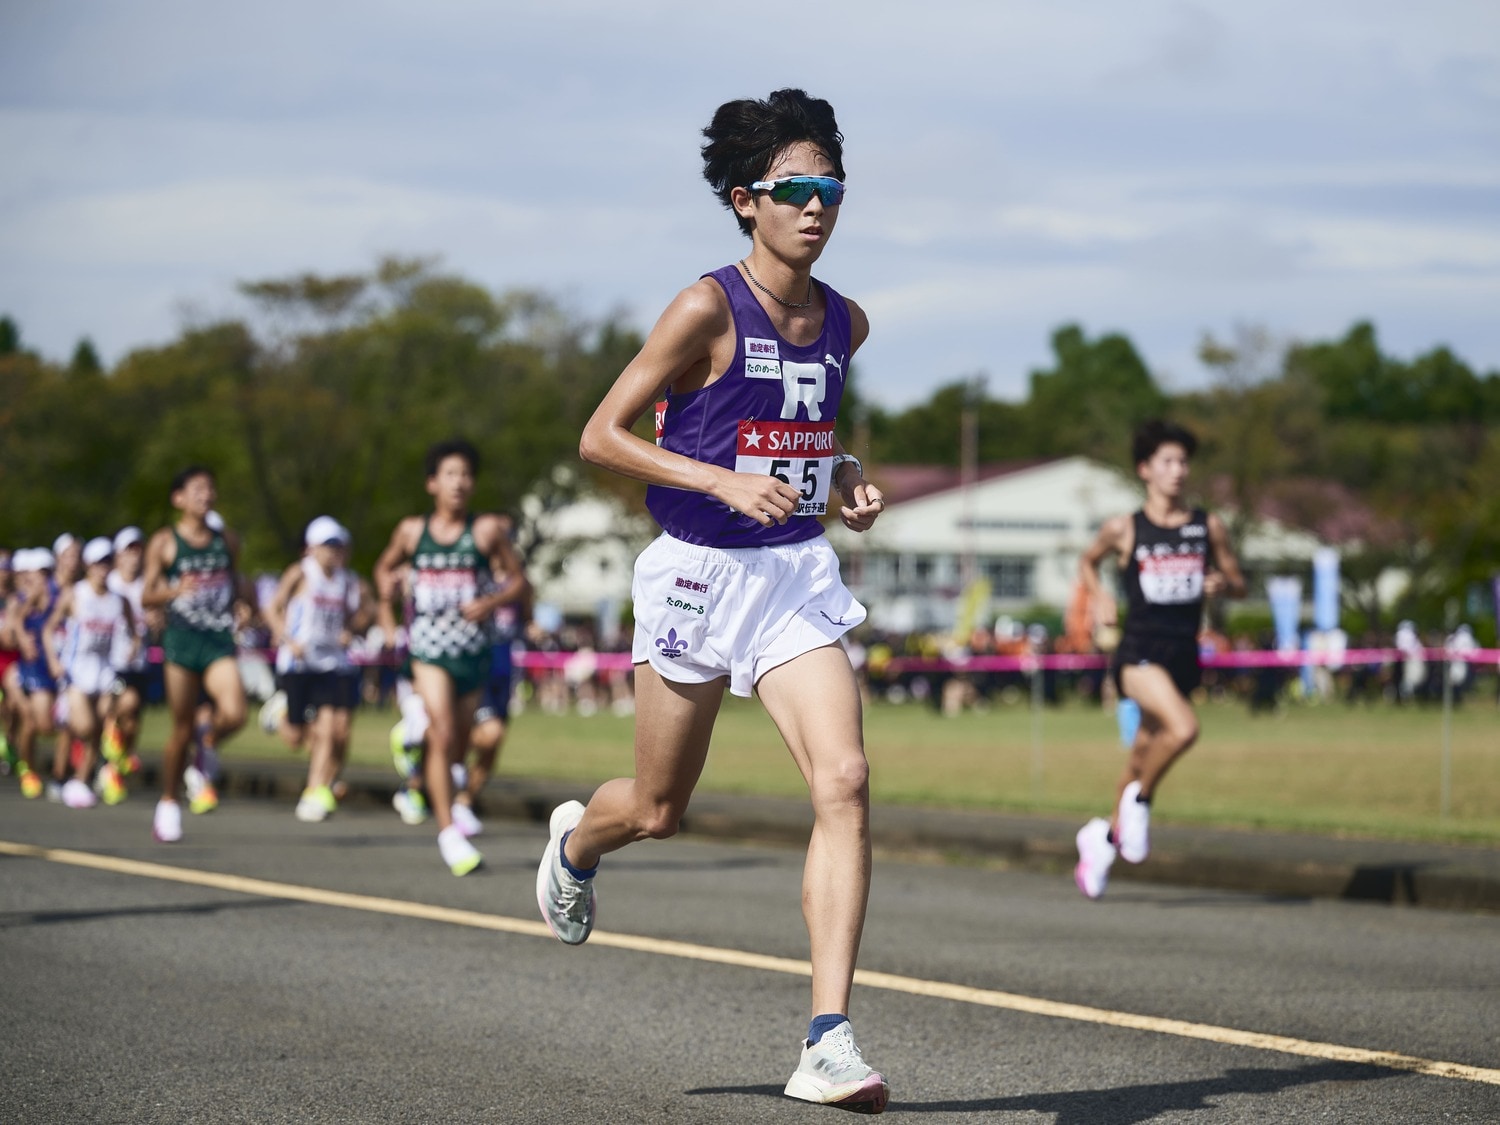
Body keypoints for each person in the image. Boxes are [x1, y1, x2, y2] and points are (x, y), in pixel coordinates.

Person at [534, 89, 889, 1112]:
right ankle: (576, 844)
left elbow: (803, 437)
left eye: (831, 189)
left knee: (846, 779)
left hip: (792, 574)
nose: (817, 208)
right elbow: (602, 435)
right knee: (656, 810)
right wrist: (719, 480)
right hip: (696, 568)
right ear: (746, 201)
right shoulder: (704, 306)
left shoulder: (844, 321)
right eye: (796, 191)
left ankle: (827, 1039)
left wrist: (847, 476)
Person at [1073, 420, 1246, 899]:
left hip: (1183, 654)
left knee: (1141, 755)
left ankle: (1103, 839)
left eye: (1184, 462)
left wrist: (1223, 585)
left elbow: (1240, 581)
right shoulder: (1125, 527)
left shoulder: (1206, 526)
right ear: (1145, 470)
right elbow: (1088, 561)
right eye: (1168, 462)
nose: (1178, 471)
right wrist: (1099, 594)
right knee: (1183, 730)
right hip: (1139, 653)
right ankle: (1141, 804)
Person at [373, 439, 528, 875]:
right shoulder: (410, 531)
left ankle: (422, 762)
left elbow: (518, 582)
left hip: (471, 651)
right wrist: (387, 598)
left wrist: (490, 603)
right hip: (427, 650)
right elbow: (383, 568)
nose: (459, 483)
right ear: (431, 483)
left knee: (458, 742)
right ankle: (447, 832)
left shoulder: (485, 532)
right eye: (450, 475)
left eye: (466, 475)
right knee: (443, 732)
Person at [141, 466, 251, 842]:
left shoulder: (227, 541)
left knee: (235, 712)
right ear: (179, 499)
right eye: (198, 489)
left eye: (210, 488)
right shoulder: (165, 542)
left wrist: (242, 606)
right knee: (180, 728)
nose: (207, 495)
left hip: (218, 639)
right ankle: (169, 803)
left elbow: (237, 584)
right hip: (182, 641)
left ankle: (206, 747)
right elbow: (146, 594)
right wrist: (174, 592)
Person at [262, 516, 370, 822]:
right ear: (312, 548)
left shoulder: (347, 581)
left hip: (331, 663)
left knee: (331, 729)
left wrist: (351, 630)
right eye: (327, 545)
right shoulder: (300, 573)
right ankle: (282, 714)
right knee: (296, 738)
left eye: (338, 546)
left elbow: (358, 618)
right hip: (299, 662)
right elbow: (271, 608)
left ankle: (314, 791)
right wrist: (287, 638)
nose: (334, 552)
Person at [44, 537, 137, 807]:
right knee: (84, 726)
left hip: (105, 674)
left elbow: (134, 631)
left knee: (99, 727)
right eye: (98, 563)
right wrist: (53, 660)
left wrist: (132, 646)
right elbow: (50, 629)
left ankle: (81, 780)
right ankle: (61, 774)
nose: (103, 569)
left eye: (108, 562)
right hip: (76, 673)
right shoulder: (76, 594)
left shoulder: (119, 600)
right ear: (88, 566)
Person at [6, 548, 60, 798]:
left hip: (49, 670)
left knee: (45, 725)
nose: (42, 578)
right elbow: (14, 624)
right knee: (28, 719)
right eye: (39, 573)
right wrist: (22, 638)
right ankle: (28, 769)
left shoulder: (58, 597)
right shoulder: (22, 600)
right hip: (27, 669)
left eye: (46, 572)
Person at [105, 526, 153, 776]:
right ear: (118, 554)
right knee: (126, 703)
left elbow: (156, 619)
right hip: (112, 661)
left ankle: (117, 762)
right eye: (129, 550)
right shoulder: (109, 582)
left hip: (139, 662)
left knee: (133, 719)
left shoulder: (147, 585)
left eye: (138, 549)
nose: (134, 555)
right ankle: (109, 730)